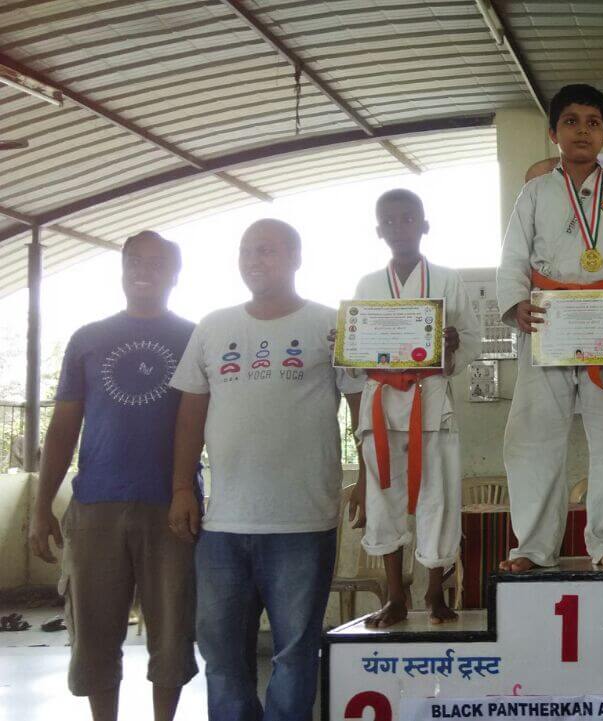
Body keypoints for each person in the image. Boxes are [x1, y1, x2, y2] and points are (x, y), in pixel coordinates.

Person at [167, 219, 363, 721]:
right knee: (221, 655)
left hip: (304, 522)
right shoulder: (213, 326)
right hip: (222, 526)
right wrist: (182, 488)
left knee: (295, 653)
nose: (255, 260)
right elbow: (190, 414)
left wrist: (366, 478)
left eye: (268, 250)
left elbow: (360, 405)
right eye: (247, 251)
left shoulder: (330, 325)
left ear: (296, 258)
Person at [28, 231, 196, 721]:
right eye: (135, 261)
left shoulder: (195, 337)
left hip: (172, 507)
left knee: (173, 631)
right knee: (95, 633)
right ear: (122, 268)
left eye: (157, 262)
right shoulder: (88, 338)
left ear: (175, 274)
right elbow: (62, 428)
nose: (144, 270)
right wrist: (41, 508)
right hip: (95, 507)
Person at [496, 83, 603, 572]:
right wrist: (515, 303)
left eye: (593, 122)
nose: (582, 130)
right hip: (548, 321)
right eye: (571, 121)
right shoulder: (534, 192)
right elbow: (513, 256)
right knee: (533, 436)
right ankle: (532, 547)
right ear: (553, 133)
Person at [348, 188, 480, 627]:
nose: (399, 227)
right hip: (382, 404)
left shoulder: (447, 279)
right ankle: (395, 597)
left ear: (424, 225)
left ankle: (434, 594)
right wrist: (347, 345)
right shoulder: (367, 285)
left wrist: (454, 345)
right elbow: (360, 352)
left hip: (430, 398)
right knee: (383, 496)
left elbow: (472, 338)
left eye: (407, 219)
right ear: (378, 230)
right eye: (389, 221)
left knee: (437, 496)